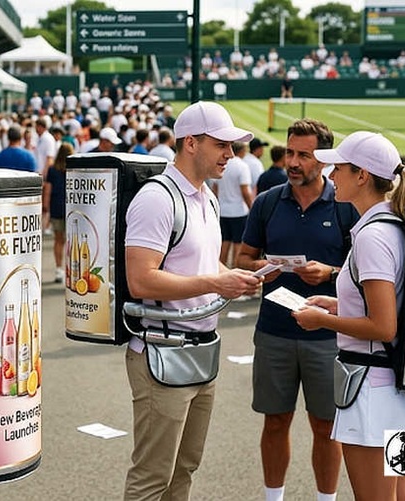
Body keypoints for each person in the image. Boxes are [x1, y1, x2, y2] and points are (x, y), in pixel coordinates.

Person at [122, 101, 261, 500]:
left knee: (184, 469)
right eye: (221, 145)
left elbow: (201, 263)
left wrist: (232, 277)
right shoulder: (158, 198)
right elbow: (141, 279)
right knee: (153, 477)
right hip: (161, 350)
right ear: (190, 144)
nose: (230, 156)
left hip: (199, 349)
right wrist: (216, 283)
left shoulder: (207, 197)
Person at [291, 131, 405, 501]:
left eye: (338, 167)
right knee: (401, 494)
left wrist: (322, 320)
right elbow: (389, 309)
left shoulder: (372, 236)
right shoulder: (393, 226)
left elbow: (383, 325)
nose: (331, 174)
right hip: (394, 387)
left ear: (362, 175)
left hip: (373, 389)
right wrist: (338, 306)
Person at [237, 119, 354, 501]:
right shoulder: (268, 201)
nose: (293, 161)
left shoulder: (346, 206)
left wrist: (331, 272)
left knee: (325, 426)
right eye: (290, 152)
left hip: (328, 336)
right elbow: (244, 256)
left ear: (323, 160)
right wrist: (262, 269)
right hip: (274, 330)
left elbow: (367, 273)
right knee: (275, 422)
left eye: (304, 155)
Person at [214, 142, 253, 266]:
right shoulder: (242, 166)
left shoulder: (221, 163)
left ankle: (220, 270)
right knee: (238, 243)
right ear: (241, 150)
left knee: (224, 241)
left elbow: (215, 189)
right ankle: (235, 270)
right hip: (238, 211)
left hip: (223, 210)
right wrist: (252, 208)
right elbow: (245, 191)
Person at [45, 142, 73, 283]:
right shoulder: (73, 170)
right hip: (71, 208)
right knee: (71, 242)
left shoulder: (52, 170)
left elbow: (48, 189)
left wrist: (46, 207)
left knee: (58, 240)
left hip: (56, 207)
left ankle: (58, 269)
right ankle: (71, 269)